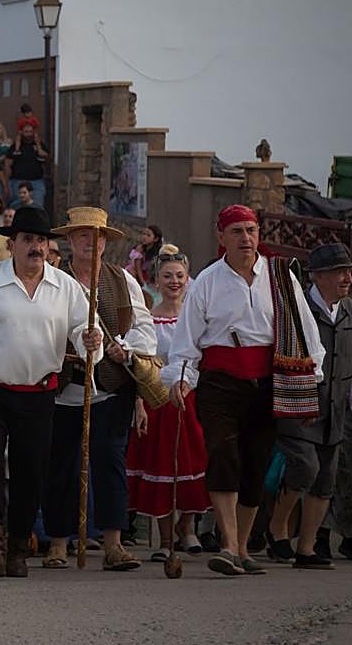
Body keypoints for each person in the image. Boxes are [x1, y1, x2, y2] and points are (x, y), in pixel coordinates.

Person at [0, 207, 101, 578]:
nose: (36, 247)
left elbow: (84, 332)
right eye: (28, 239)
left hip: (39, 393)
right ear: (12, 244)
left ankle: (17, 545)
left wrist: (92, 341)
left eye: (41, 240)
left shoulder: (66, 287)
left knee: (30, 472)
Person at [167, 204, 325, 576]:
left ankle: (240, 547)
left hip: (267, 383)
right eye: (237, 231)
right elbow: (186, 338)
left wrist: (311, 374)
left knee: (256, 464)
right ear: (221, 237)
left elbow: (304, 328)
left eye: (251, 231)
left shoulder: (280, 278)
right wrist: (180, 378)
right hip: (220, 382)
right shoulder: (206, 281)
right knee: (223, 453)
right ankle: (227, 545)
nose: (246, 238)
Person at [268, 244, 352, 569]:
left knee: (326, 478)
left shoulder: (351, 311)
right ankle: (276, 526)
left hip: (335, 409)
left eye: (349, 272)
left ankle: (307, 548)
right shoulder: (296, 307)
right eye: (341, 272)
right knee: (304, 467)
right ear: (319, 276)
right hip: (301, 404)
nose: (348, 279)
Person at [44, 207, 156, 572]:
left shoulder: (122, 281)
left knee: (110, 463)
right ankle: (58, 543)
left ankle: (113, 544)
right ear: (70, 241)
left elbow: (144, 327)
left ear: (105, 242)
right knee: (60, 466)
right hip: (63, 389)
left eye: (97, 237)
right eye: (81, 236)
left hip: (109, 387)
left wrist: (125, 346)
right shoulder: (52, 282)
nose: (90, 243)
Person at [127, 249, 211, 559]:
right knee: (161, 465)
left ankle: (186, 528)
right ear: (156, 281)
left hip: (192, 398)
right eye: (167, 276)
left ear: (188, 279)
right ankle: (164, 540)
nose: (174, 281)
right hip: (158, 401)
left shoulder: (197, 317)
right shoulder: (148, 319)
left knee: (193, 463)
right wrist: (139, 403)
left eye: (179, 276)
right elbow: (141, 363)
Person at [2, 122, 48, 211]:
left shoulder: (40, 145)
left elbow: (45, 157)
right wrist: (6, 184)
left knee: (37, 206)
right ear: (21, 132)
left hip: (36, 181)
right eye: (26, 132)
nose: (28, 134)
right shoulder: (15, 146)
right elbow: (7, 164)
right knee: (18, 206)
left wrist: (37, 143)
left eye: (31, 132)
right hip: (17, 181)